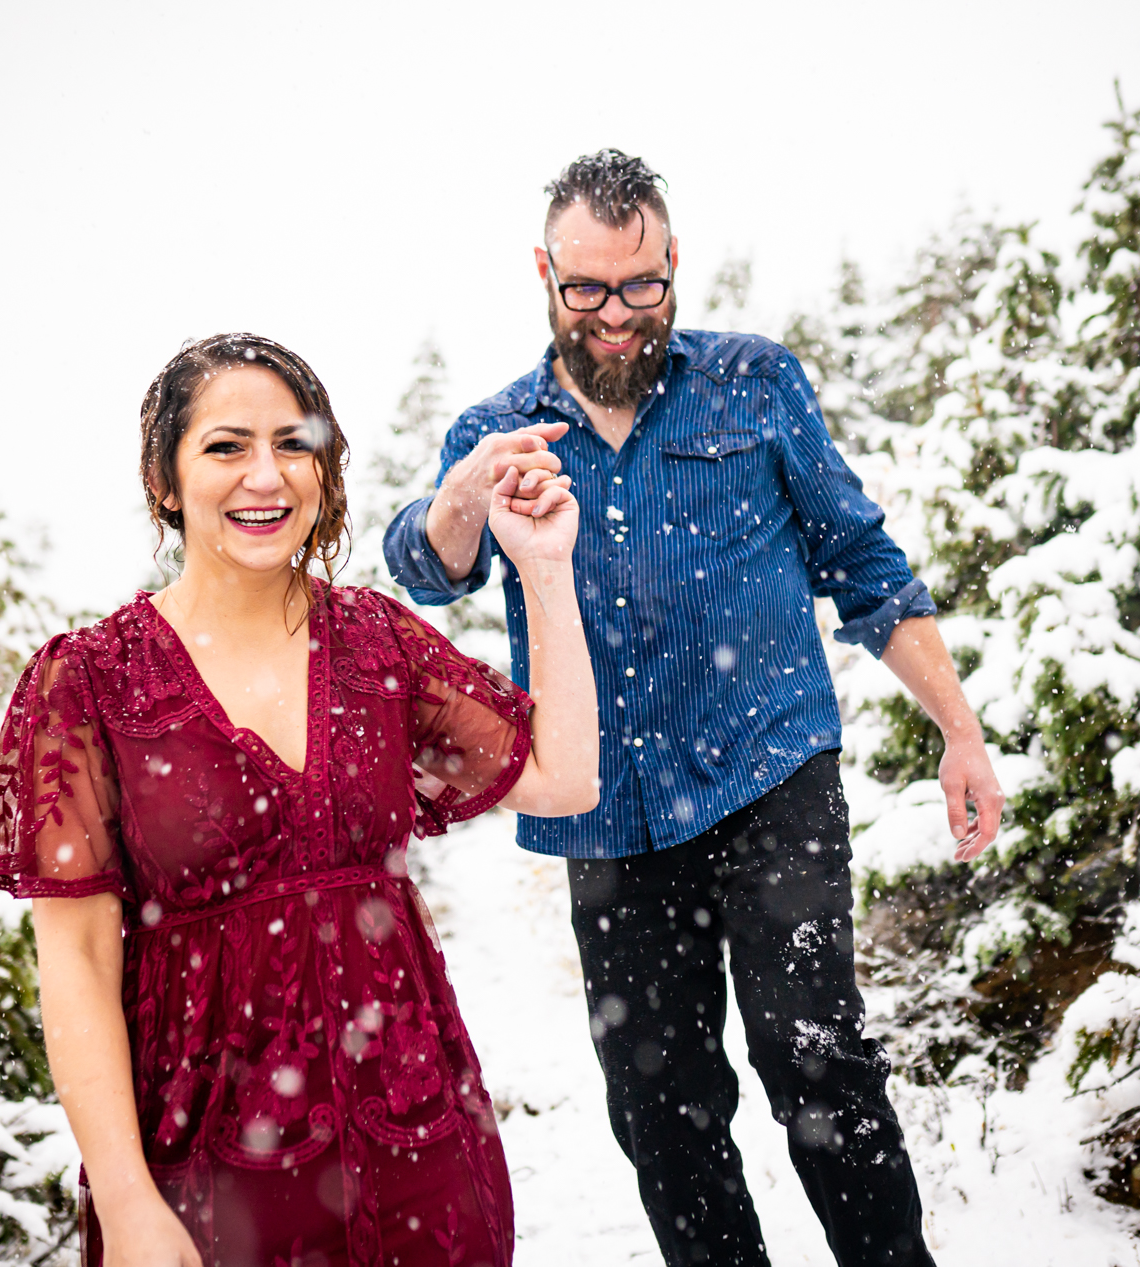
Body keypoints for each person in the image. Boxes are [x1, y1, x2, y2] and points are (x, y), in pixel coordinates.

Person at [383, 151, 1003, 1267]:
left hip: (768, 770)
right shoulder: (501, 429)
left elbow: (860, 561)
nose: (616, 316)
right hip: (605, 811)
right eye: (587, 290)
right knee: (661, 1105)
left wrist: (958, 729)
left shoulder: (755, 385)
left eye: (641, 286)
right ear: (544, 274)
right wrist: (463, 490)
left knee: (812, 1052)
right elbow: (428, 571)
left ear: (674, 264)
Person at [0, 333, 596, 1267]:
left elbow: (563, 775)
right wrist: (127, 1200)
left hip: (418, 1143)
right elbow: (74, 966)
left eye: (293, 443)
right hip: (207, 1176)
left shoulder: (374, 641)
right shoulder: (93, 680)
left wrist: (547, 566)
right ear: (165, 478)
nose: (264, 476)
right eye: (226, 446)